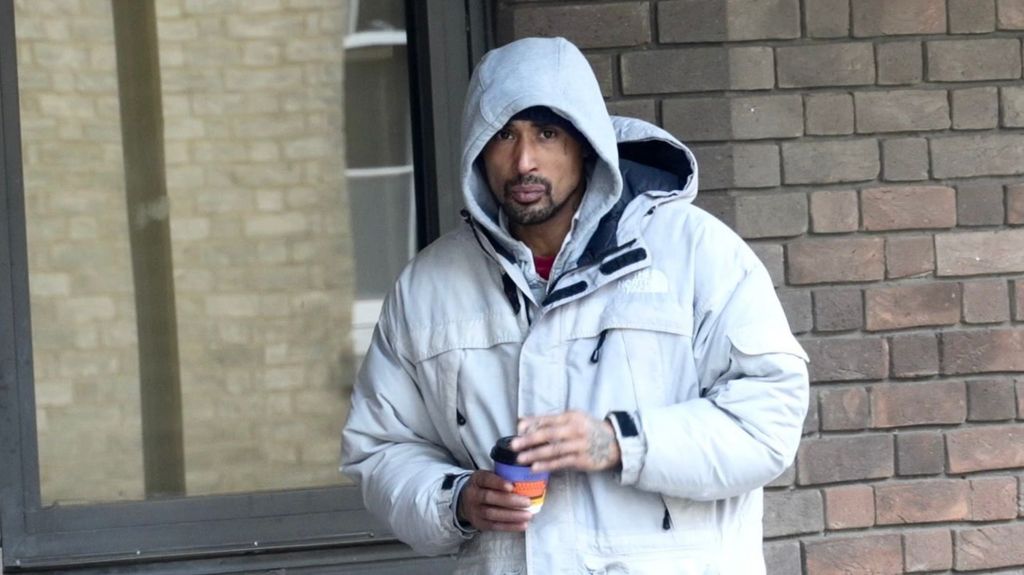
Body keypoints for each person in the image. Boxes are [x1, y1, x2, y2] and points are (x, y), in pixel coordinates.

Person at [341, 36, 809, 574]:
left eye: (547, 133)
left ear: (585, 143)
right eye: (503, 135)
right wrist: (456, 499)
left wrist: (620, 442)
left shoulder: (697, 254)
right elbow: (379, 448)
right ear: (476, 149)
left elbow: (768, 420)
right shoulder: (428, 287)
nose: (523, 161)